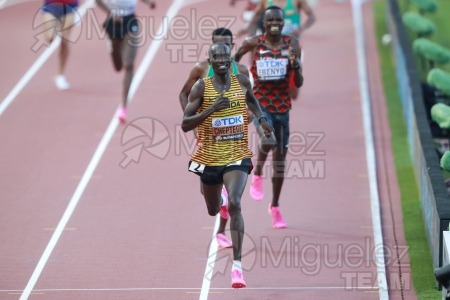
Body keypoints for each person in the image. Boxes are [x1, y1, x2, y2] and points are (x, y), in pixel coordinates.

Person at [182, 43, 274, 288]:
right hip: (210, 157)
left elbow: (253, 103)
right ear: (210, 60)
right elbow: (185, 123)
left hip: (237, 153)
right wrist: (211, 109)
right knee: (214, 209)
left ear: (229, 58)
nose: (222, 60)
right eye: (216, 56)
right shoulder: (202, 87)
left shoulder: (241, 81)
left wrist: (263, 121)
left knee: (235, 202)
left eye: (225, 56)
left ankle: (237, 268)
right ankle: (219, 204)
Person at [178, 27, 252, 249]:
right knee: (208, 191)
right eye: (219, 45)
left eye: (228, 45)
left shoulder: (241, 71)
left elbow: (248, 101)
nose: (224, 49)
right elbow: (183, 94)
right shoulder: (201, 69)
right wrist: (195, 126)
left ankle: (221, 230)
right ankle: (218, 207)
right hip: (207, 138)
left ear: (232, 47)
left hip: (233, 140)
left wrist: (246, 119)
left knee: (233, 195)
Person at [234, 5, 304, 229]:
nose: (274, 23)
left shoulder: (292, 44)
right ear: (264, 23)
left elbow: (299, 82)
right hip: (260, 103)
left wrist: (296, 66)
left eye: (278, 20)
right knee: (268, 140)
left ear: (283, 23)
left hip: (282, 105)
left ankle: (275, 206)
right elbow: (233, 62)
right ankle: (257, 173)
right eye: (270, 19)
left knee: (281, 161)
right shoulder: (253, 43)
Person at [239, 0, 314, 99]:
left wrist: (300, 29)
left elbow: (312, 17)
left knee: (294, 94)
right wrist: (247, 27)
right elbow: (256, 14)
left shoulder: (296, 1)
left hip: (292, 48)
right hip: (272, 46)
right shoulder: (266, 1)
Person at [96, 0, 156, 123]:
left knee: (129, 65)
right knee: (118, 67)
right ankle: (112, 46)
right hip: (113, 20)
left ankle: (123, 106)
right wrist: (110, 12)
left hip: (129, 20)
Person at [41, 0, 80, 90]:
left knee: (64, 41)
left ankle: (60, 74)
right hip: (50, 5)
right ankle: (57, 25)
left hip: (69, 6)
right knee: (49, 38)